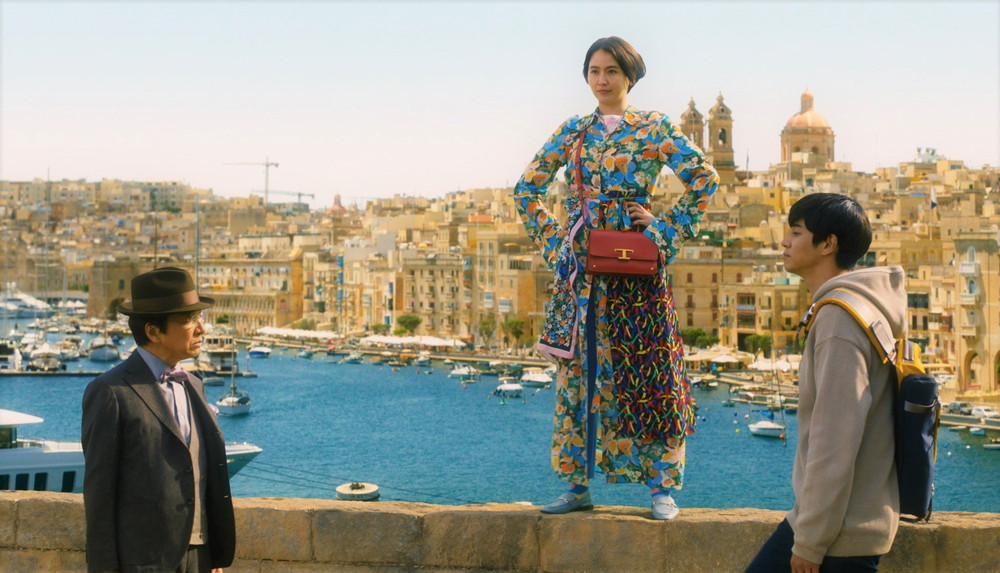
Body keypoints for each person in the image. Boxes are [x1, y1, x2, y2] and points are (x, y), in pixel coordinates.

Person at [514, 36, 719, 520]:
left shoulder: (654, 128)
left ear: (629, 75)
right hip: (583, 275)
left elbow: (704, 178)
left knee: (650, 369)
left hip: (635, 267)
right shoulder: (574, 130)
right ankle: (576, 486)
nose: (601, 80)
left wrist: (662, 231)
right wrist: (559, 245)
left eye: (611, 71)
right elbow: (526, 189)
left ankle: (661, 489)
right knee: (578, 374)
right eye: (594, 71)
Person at [746, 193, 905, 572]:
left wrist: (810, 543)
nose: (785, 241)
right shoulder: (859, 306)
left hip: (840, 535)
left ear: (827, 244)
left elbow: (835, 439)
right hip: (839, 521)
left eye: (796, 232)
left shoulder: (839, 320)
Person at [82, 267, 236, 573]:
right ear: (153, 332)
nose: (202, 329)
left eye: (198, 317)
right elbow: (99, 496)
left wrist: (211, 554)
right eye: (189, 320)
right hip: (144, 564)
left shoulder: (194, 385)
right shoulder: (110, 392)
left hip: (200, 557)